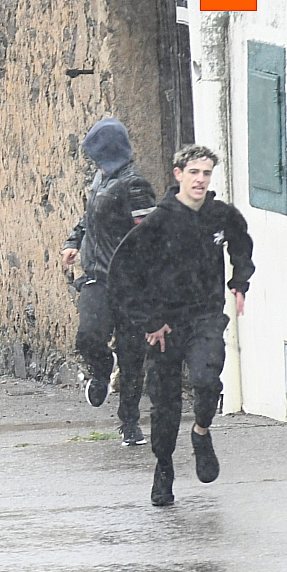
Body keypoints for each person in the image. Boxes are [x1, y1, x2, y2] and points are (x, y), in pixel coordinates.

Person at [108, 145, 254, 507]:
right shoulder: (159, 220)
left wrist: (239, 281)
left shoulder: (221, 215)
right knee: (165, 402)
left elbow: (241, 243)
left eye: (206, 173)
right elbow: (123, 270)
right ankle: (164, 470)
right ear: (178, 175)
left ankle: (201, 431)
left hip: (205, 315)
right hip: (165, 325)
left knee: (207, 380)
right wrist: (150, 320)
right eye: (194, 172)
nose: (200, 180)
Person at [61, 118, 157, 445]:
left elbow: (148, 236)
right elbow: (88, 218)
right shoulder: (101, 179)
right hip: (96, 277)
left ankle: (129, 422)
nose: (91, 160)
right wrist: (73, 242)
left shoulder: (135, 186)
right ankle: (101, 370)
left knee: (132, 355)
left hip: (130, 285)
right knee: (88, 337)